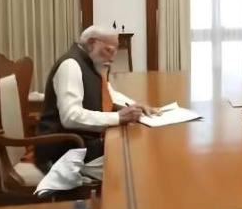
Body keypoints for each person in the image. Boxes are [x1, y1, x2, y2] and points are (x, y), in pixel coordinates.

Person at [35, 25, 157, 172]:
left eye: (115, 51)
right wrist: (118, 117)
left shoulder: (91, 62)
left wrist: (134, 106)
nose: (113, 58)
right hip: (63, 153)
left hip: (84, 146)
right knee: (134, 165)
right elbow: (70, 117)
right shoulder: (71, 65)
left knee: (136, 155)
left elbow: (108, 93)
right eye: (109, 50)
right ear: (92, 43)